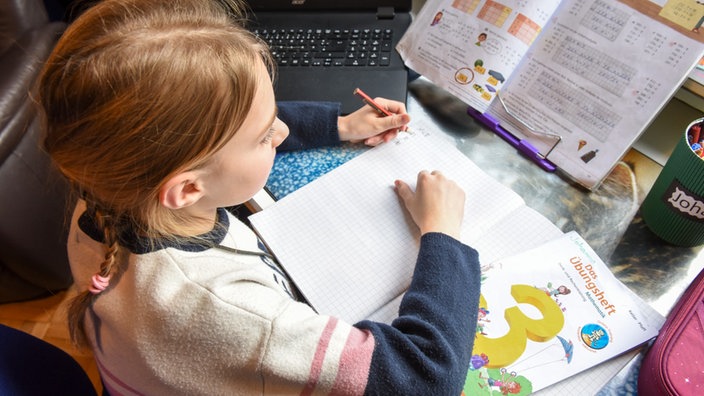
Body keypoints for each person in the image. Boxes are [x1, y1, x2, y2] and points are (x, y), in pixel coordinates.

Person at [37, 0, 482, 394]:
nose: (282, 131)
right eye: (266, 136)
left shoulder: (108, 187)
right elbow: (425, 377)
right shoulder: (232, 313)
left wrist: (341, 126)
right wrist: (442, 232)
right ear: (188, 188)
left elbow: (223, 133)